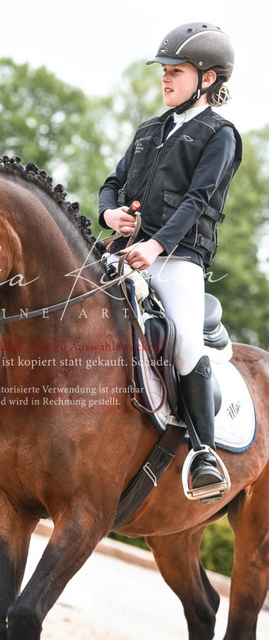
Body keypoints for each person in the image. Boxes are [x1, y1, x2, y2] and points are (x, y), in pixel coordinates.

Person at [99, 22, 242, 491]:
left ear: (207, 78)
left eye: (175, 71)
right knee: (62, 303)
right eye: (164, 70)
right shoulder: (149, 130)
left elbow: (198, 199)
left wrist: (155, 245)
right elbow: (112, 183)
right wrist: (109, 214)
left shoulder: (220, 134)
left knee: (184, 343)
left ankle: (203, 452)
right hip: (125, 251)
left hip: (178, 259)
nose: (165, 77)